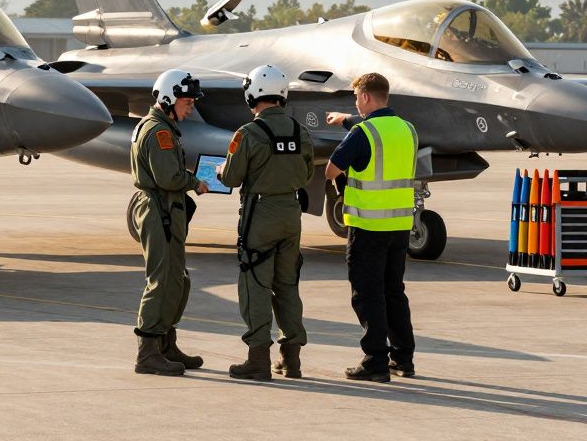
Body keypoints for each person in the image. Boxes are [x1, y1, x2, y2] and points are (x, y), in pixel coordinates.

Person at [216, 65, 313, 381]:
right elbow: (307, 173)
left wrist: (219, 172)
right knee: (286, 285)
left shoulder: (247, 134)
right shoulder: (300, 132)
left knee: (255, 285)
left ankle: (258, 358)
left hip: (260, 214)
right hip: (291, 213)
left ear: (251, 93)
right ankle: (291, 358)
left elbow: (232, 176)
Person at [325, 72, 419, 382]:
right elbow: (379, 131)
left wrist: (349, 129)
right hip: (400, 225)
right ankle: (403, 358)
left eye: (356, 98)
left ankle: (375, 360)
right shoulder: (408, 129)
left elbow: (331, 170)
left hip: (368, 226)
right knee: (394, 291)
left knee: (367, 294)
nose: (355, 103)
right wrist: (346, 120)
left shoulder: (363, 132)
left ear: (365, 97)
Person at [130, 68, 210, 376]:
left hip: (167, 209)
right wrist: (195, 182)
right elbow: (168, 177)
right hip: (158, 209)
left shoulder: (162, 127)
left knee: (179, 279)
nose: (191, 107)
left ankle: (166, 343)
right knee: (162, 280)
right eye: (187, 102)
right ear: (168, 98)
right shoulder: (159, 132)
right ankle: (148, 353)